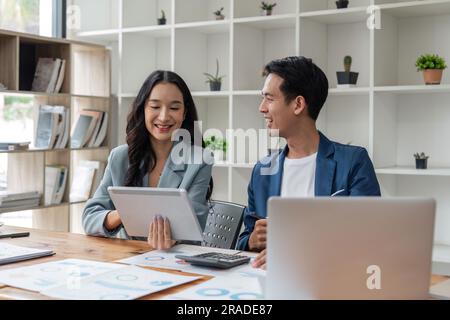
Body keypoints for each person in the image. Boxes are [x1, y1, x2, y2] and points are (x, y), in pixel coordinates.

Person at [236, 56, 381, 268]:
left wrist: (295, 251)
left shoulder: (353, 162)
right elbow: (244, 241)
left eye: (269, 98)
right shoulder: (263, 170)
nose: (262, 108)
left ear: (298, 104)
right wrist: (251, 240)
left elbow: (369, 236)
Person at [83, 70, 212, 250]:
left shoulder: (199, 161)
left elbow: (194, 229)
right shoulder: (120, 157)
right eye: (155, 106)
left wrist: (171, 238)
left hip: (173, 261)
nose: (164, 116)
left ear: (184, 113)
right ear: (143, 108)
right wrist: (126, 212)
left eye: (174, 108)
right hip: (126, 259)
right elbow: (90, 219)